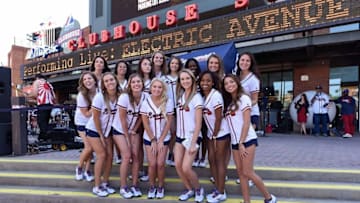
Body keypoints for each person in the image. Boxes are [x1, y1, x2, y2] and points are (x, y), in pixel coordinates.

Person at [222, 74, 277, 203]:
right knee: (241, 174)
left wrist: (241, 143)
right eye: (226, 83)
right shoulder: (230, 103)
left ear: (237, 83)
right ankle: (246, 201)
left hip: (246, 140)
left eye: (231, 82)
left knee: (248, 172)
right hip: (235, 142)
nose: (229, 85)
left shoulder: (244, 98)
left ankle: (269, 198)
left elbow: (246, 122)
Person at [112, 73, 148, 199]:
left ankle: (134, 185)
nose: (136, 84)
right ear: (129, 85)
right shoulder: (124, 97)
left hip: (133, 130)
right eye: (133, 82)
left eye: (138, 82)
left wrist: (134, 130)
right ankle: (123, 187)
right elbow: (122, 120)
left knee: (136, 156)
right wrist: (128, 137)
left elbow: (141, 117)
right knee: (127, 156)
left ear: (142, 84)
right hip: (120, 130)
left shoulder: (145, 96)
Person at [85, 72, 120, 197]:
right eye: (106, 81)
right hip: (94, 130)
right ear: (103, 84)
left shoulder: (119, 96)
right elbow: (95, 117)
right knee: (102, 155)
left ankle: (105, 183)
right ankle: (97, 186)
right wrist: (100, 134)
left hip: (108, 130)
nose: (110, 82)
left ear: (116, 81)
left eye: (111, 80)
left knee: (110, 156)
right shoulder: (100, 97)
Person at [199, 71, 230, 203]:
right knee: (211, 160)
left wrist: (215, 136)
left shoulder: (216, 95)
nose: (205, 83)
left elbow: (218, 118)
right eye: (202, 81)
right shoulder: (204, 96)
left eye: (208, 81)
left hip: (220, 133)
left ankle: (221, 192)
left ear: (213, 82)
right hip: (211, 134)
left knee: (219, 162)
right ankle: (218, 188)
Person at [140, 78, 174, 199]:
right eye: (154, 87)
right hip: (149, 138)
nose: (157, 89)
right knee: (152, 163)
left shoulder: (168, 101)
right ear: (151, 88)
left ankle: (160, 186)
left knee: (160, 164)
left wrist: (161, 140)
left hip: (164, 138)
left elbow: (169, 122)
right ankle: (152, 186)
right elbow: (145, 123)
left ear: (163, 89)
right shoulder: (145, 102)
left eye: (159, 87)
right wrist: (153, 140)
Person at [174, 69, 204, 202]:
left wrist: (193, 142)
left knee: (186, 167)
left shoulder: (196, 97)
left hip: (192, 136)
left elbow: (198, 123)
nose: (185, 81)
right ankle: (189, 189)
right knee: (178, 165)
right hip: (180, 136)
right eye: (182, 79)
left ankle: (198, 189)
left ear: (192, 80)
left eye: (188, 78)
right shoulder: (180, 97)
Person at [235, 52, 260, 186]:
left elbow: (255, 99)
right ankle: (245, 174)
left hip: (251, 114)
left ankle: (249, 176)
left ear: (251, 63)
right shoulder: (237, 76)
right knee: (241, 144)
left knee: (247, 143)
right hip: (240, 115)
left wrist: (244, 106)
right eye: (242, 60)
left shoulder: (253, 79)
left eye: (247, 61)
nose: (244, 63)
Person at [74, 71, 98, 182]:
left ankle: (87, 170)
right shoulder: (81, 95)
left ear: (94, 80)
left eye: (89, 78)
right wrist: (97, 105)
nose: (87, 81)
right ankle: (79, 168)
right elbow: (86, 114)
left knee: (91, 148)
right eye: (85, 79)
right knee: (89, 147)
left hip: (93, 122)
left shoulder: (98, 92)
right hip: (82, 122)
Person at [161, 56, 182, 166]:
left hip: (180, 107)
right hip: (169, 108)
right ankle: (171, 152)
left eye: (176, 63)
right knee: (172, 131)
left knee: (180, 132)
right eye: (172, 63)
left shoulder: (181, 77)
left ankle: (178, 153)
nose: (174, 65)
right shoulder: (164, 78)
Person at [27, 74, 56, 141]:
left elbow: (34, 94)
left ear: (37, 78)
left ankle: (45, 137)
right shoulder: (48, 83)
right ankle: (42, 137)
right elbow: (54, 97)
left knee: (41, 122)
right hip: (50, 105)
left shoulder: (37, 82)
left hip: (42, 105)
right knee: (45, 122)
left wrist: (28, 96)